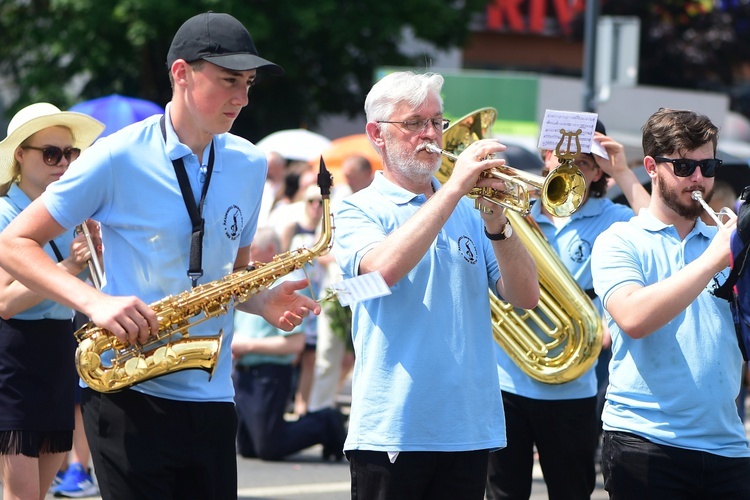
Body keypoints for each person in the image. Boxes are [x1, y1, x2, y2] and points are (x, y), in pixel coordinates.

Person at [0, 12, 320, 500]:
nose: (243, 98)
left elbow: (231, 276)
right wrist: (94, 301)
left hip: (213, 396)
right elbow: (12, 242)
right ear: (181, 74)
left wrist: (262, 299)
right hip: (128, 392)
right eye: (229, 80)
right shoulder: (116, 155)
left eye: (249, 83)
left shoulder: (250, 163)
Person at [333, 70, 540, 499]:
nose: (430, 134)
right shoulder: (358, 209)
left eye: (436, 122)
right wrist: (452, 192)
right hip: (393, 430)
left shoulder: (467, 209)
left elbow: (525, 296)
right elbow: (380, 273)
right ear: (377, 133)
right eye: (414, 123)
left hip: (467, 429)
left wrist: (497, 222)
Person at [485, 119, 650, 500]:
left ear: (598, 172)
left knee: (571, 491)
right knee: (502, 493)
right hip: (506, 379)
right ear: (546, 156)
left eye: (585, 161)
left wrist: (623, 171)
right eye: (562, 156)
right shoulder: (515, 206)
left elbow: (656, 231)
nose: (571, 166)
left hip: (572, 384)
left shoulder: (614, 217)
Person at [591, 108, 750, 498]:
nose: (698, 178)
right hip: (645, 442)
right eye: (683, 166)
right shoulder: (621, 240)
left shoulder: (727, 242)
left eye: (708, 166)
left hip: (727, 444)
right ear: (652, 166)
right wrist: (716, 256)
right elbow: (634, 318)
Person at [0, 103, 104, 500]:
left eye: (70, 153)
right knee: (22, 496)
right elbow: (6, 301)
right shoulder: (4, 212)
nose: (63, 162)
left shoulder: (66, 212)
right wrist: (68, 266)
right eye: (51, 153)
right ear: (20, 156)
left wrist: (94, 252)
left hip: (59, 348)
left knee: (37, 495)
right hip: (13, 353)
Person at [232, 227, 345, 461]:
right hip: (242, 375)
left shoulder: (285, 282)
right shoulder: (246, 280)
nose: (245, 256)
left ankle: (326, 421)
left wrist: (248, 346)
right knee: (248, 449)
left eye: (252, 249)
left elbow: (295, 344)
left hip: (268, 375)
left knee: (268, 448)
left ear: (271, 250)